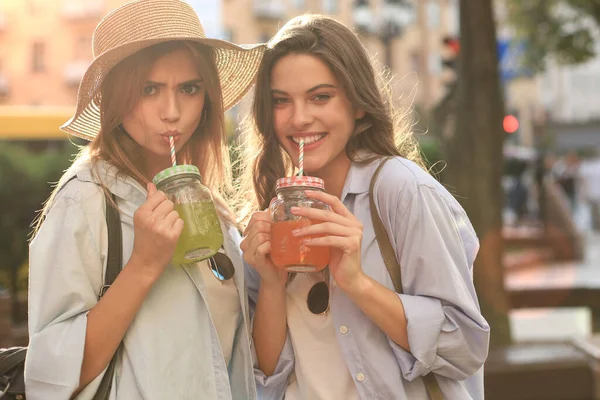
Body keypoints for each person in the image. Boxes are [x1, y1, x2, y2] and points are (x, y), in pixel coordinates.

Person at [237, 14, 490, 400]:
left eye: (320, 96)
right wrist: (271, 285)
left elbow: (465, 347)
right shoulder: (275, 206)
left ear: (357, 104)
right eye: (281, 101)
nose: (299, 118)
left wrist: (355, 283)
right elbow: (267, 376)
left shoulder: (401, 190)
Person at [24, 1, 264, 399]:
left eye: (189, 88)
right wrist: (143, 266)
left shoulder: (211, 206)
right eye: (149, 89)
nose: (172, 112)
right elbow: (48, 377)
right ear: (117, 97)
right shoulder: (86, 198)